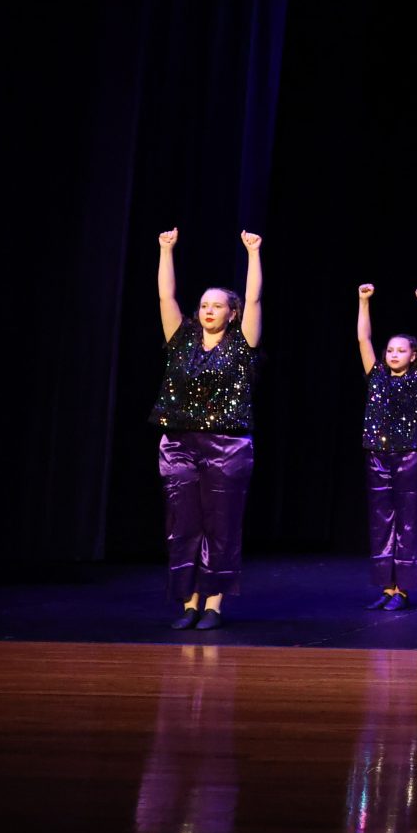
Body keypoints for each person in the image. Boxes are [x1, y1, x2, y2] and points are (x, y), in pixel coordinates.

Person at [150, 228, 263, 631]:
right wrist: (166, 251)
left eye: (217, 306)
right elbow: (166, 297)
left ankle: (213, 603)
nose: (208, 311)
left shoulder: (241, 344)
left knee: (221, 523)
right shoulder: (181, 341)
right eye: (203, 305)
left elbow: (253, 298)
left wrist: (253, 254)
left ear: (231, 313)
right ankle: (189, 602)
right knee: (183, 524)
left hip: (227, 445)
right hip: (178, 442)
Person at [357, 284, 417, 611]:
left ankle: (403, 590)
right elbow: (364, 339)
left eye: (400, 350)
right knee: (381, 521)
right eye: (390, 350)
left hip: (409, 456)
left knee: (407, 522)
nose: (393, 354)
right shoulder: (376, 376)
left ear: (413, 355)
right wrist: (364, 302)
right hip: (377, 455)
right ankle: (387, 587)